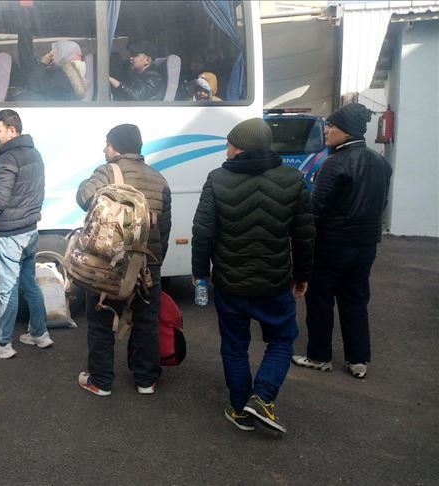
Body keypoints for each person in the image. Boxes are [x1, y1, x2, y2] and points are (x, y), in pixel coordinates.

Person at [192, 118, 314, 433]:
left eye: (229, 144)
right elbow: (304, 234)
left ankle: (239, 408)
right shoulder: (293, 179)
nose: (226, 149)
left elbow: (203, 233)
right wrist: (302, 274)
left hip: (230, 284)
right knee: (282, 339)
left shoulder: (217, 179)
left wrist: (200, 273)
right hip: (275, 284)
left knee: (234, 345)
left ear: (240, 148)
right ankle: (262, 396)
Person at [292, 103, 392, 380]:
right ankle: (358, 360)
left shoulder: (334, 163)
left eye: (331, 126)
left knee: (320, 300)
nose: (326, 130)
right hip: (366, 246)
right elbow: (381, 204)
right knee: (356, 300)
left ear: (346, 130)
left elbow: (316, 209)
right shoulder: (381, 163)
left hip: (332, 246)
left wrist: (303, 245)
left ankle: (319, 356)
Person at [74, 124, 171, 396]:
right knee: (146, 322)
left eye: (107, 144)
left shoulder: (107, 171)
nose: (104, 149)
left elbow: (83, 198)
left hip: (109, 263)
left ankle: (101, 382)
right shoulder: (159, 179)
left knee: (101, 320)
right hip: (147, 264)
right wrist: (156, 262)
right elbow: (164, 228)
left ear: (116, 146)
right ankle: (146, 381)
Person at [0, 110, 51, 359]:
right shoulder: (34, 153)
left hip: (9, 234)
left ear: (12, 130)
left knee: (7, 291)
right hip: (29, 230)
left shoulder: (7, 159)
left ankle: (3, 343)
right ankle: (39, 333)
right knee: (30, 284)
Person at [20, 37, 86, 101]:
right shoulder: (76, 73)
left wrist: (43, 63)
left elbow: (33, 85)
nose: (53, 57)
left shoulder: (61, 75)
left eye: (56, 52)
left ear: (63, 54)